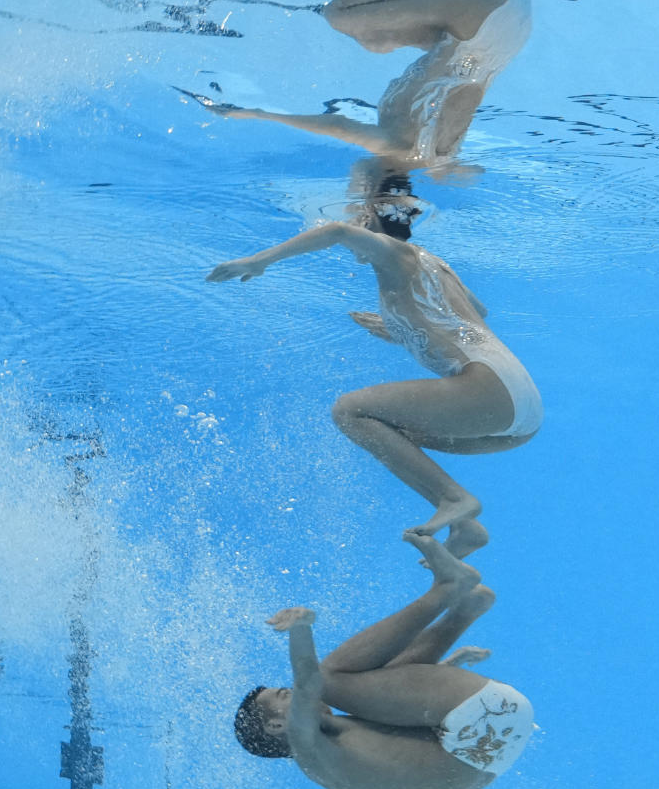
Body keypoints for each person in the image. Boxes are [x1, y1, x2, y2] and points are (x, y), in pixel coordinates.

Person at [206, 201, 542, 557]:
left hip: (489, 390)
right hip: (521, 408)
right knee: (389, 434)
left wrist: (258, 261)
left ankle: (454, 497)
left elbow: (337, 231)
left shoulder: (395, 253)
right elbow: (477, 315)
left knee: (349, 412)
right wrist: (401, 330)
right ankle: (464, 524)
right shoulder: (436, 265)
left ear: (369, 222)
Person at [179, 0, 531, 178]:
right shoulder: (400, 152)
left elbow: (470, 172)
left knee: (374, 41)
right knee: (341, 15)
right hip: (484, 16)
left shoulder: (438, 163)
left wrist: (448, 173)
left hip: (506, 29)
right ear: (370, 195)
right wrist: (252, 113)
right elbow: (338, 126)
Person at [234, 534, 536, 789]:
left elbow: (405, 755)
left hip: (493, 751)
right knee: (330, 679)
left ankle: (467, 607)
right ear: (276, 725)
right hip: (477, 729)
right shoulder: (306, 745)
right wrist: (300, 627)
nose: (291, 692)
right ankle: (448, 588)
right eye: (283, 695)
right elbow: (308, 682)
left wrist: (446, 670)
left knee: (371, 690)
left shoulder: (332, 762)